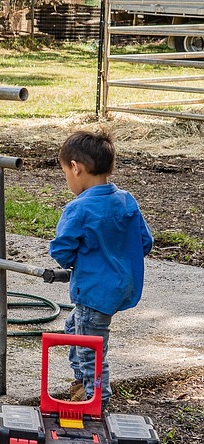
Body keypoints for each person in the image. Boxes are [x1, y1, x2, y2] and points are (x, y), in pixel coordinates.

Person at [49, 130, 153, 407]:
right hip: (119, 288)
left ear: (76, 168)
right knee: (74, 328)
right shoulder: (127, 200)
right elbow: (145, 241)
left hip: (93, 291)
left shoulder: (79, 208)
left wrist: (75, 261)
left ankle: (97, 403)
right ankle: (81, 388)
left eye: (66, 174)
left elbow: (61, 250)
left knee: (90, 351)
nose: (68, 180)